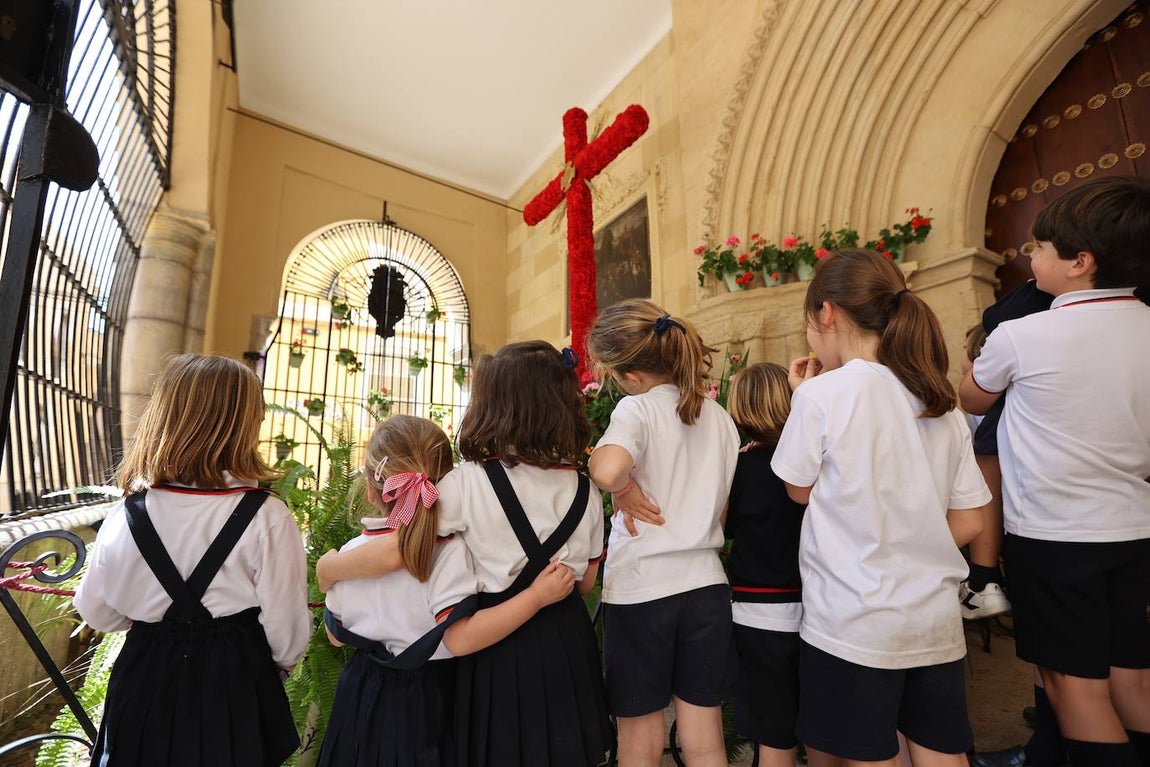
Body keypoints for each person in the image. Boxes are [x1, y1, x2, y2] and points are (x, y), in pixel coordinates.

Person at [317, 341, 612, 767]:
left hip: (494, 646)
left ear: (490, 406)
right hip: (566, 646)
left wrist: (331, 567)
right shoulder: (585, 490)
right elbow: (583, 583)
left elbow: (402, 548)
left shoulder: (466, 483)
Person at [771, 249, 991, 767]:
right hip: (933, 619)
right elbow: (970, 519)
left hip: (854, 619)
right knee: (941, 752)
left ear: (827, 314)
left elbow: (798, 490)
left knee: (870, 754)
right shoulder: (936, 397)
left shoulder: (823, 395)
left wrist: (804, 395)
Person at [959, 175, 1150, 767]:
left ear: (1081, 262)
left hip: (1055, 536)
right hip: (1135, 529)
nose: (1030, 256)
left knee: (1075, 689)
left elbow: (971, 398)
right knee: (1134, 683)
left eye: (1040, 248)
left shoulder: (1022, 333)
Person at [73, 354, 312, 767]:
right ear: (242, 425)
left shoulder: (128, 513)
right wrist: (279, 663)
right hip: (234, 683)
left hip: (145, 675)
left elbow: (96, 611)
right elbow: (286, 629)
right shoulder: (267, 516)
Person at [586, 299, 740, 767]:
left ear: (631, 376)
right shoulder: (719, 417)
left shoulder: (637, 409)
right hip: (707, 588)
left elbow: (607, 470)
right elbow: (722, 512)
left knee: (641, 738)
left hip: (643, 591)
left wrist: (626, 488)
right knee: (705, 737)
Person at [724, 363, 841, 767]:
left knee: (774, 731)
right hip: (821, 606)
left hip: (760, 612)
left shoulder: (741, 468)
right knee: (824, 719)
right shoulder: (816, 463)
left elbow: (725, 529)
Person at [959, 280, 1054, 621]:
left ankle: (984, 576)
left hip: (1038, 520)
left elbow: (971, 398)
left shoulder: (1022, 323)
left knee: (986, 458)